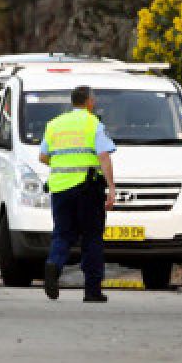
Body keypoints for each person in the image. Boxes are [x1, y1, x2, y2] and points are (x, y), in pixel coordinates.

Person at [40, 84, 117, 303]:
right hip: (87, 187)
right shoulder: (93, 123)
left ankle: (53, 265)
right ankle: (92, 290)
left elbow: (43, 157)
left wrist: (63, 165)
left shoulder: (55, 124)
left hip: (60, 187)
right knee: (92, 237)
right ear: (89, 102)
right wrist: (111, 187)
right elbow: (103, 155)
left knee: (62, 233)